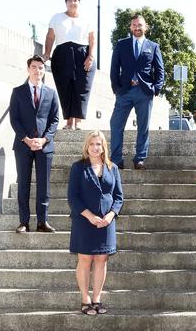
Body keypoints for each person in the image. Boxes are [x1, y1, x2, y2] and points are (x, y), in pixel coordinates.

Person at [67, 130, 123, 315]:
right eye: (91, 144)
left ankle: (97, 298)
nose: (95, 147)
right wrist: (89, 215)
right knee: (84, 259)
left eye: (98, 144)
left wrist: (110, 215)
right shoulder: (78, 167)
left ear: (103, 146)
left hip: (106, 223)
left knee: (101, 259)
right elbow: (72, 197)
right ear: (86, 146)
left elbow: (118, 197)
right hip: (84, 221)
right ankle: (85, 299)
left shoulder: (112, 168)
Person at [8, 55, 59, 233]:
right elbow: (14, 119)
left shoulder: (51, 93)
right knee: (23, 183)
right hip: (23, 146)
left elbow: (54, 120)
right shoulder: (18, 92)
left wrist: (44, 139)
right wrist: (27, 139)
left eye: (41, 68)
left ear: (44, 71)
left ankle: (42, 222)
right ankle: (24, 222)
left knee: (43, 186)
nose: (38, 71)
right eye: (35, 67)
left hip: (44, 146)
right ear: (28, 69)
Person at [109, 14, 165, 170]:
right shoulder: (121, 45)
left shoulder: (153, 46)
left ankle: (139, 158)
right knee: (116, 124)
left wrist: (155, 89)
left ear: (145, 27)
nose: (137, 28)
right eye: (134, 25)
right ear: (130, 27)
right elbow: (114, 68)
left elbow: (160, 70)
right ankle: (116, 159)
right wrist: (116, 88)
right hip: (124, 91)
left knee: (143, 126)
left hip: (144, 92)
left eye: (140, 25)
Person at [43, 0, 96, 131]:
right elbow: (50, 37)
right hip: (62, 54)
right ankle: (68, 122)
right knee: (65, 88)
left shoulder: (86, 19)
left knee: (81, 88)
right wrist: (47, 53)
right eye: (70, 0)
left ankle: (77, 121)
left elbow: (92, 39)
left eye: (75, 0)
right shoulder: (57, 17)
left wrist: (90, 56)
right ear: (66, 3)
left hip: (82, 54)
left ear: (79, 2)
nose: (73, 3)